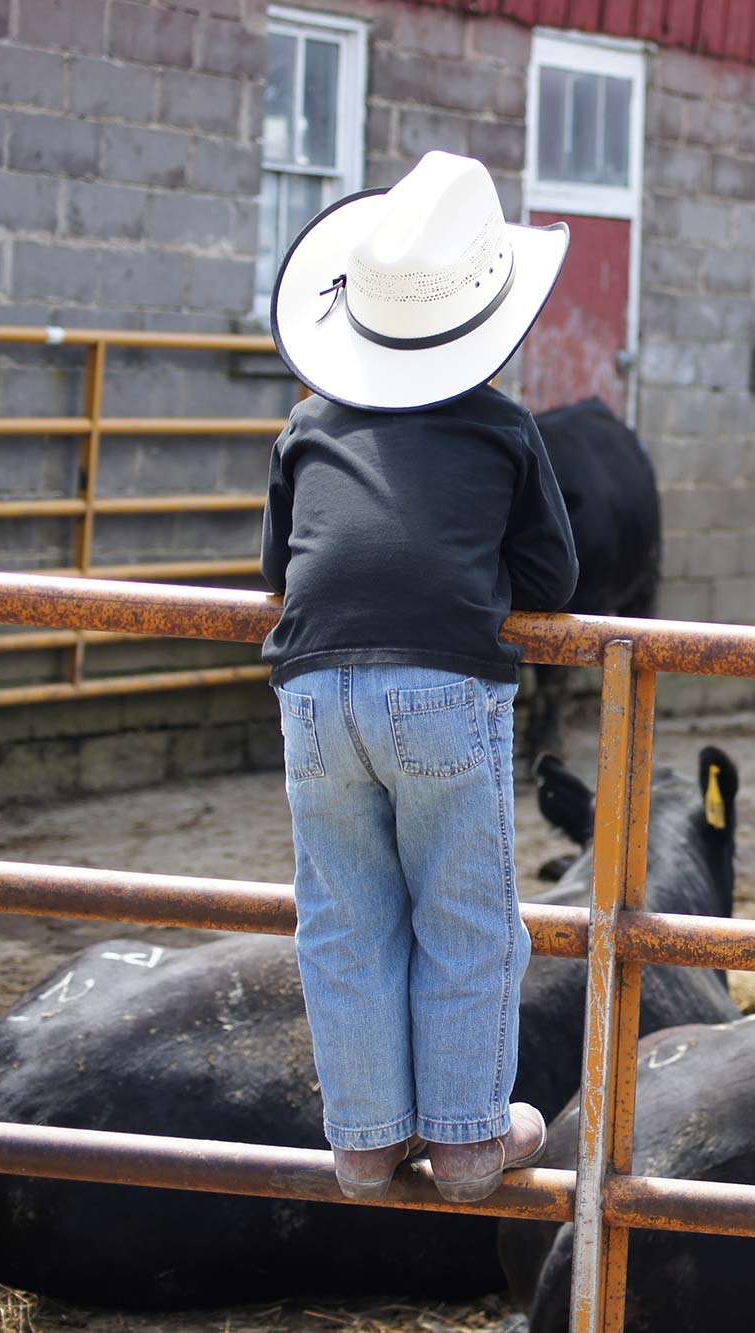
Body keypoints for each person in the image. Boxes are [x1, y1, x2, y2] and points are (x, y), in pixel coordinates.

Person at [259, 151, 579, 1203]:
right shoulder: (499, 428)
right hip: (441, 687)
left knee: (343, 915)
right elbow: (550, 574)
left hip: (310, 689)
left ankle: (361, 1143)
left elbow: (278, 568)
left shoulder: (308, 423)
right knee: (465, 912)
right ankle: (467, 1142)